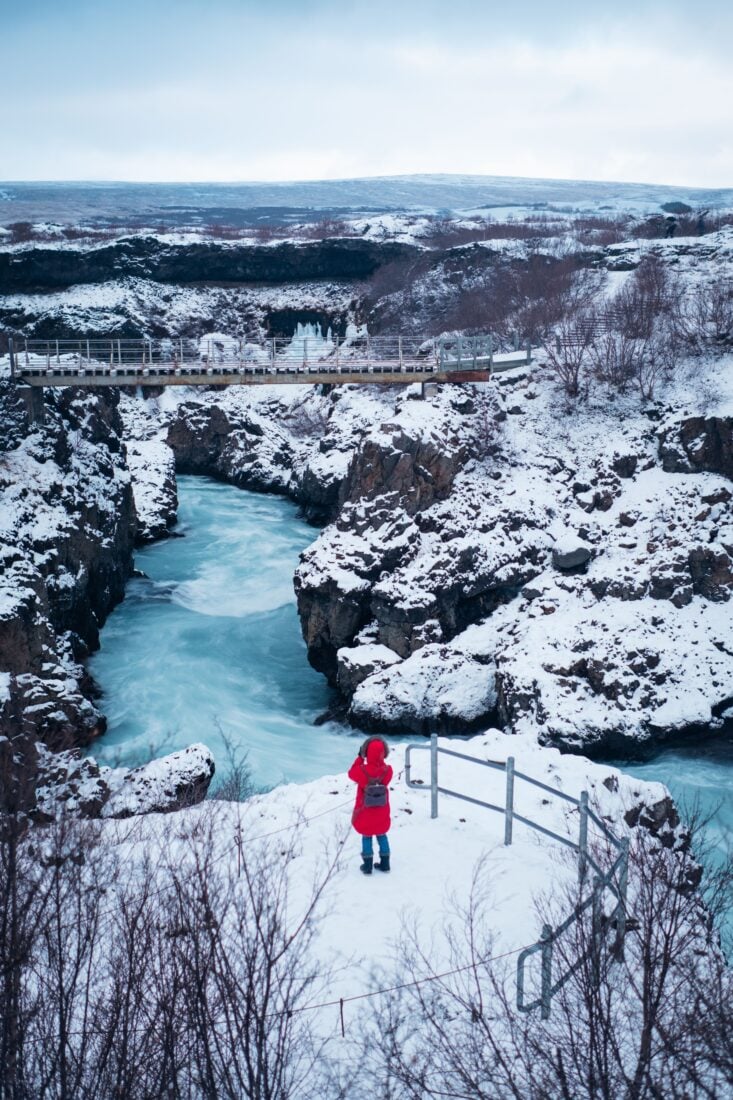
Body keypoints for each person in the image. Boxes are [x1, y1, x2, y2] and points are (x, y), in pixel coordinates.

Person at [348, 737, 393, 875]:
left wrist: (360, 758)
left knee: (366, 836)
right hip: (381, 810)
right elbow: (383, 774)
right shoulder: (388, 771)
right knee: (382, 835)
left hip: (365, 810)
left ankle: (367, 866)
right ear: (384, 752)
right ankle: (385, 863)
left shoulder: (362, 771)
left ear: (367, 752)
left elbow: (351, 773)